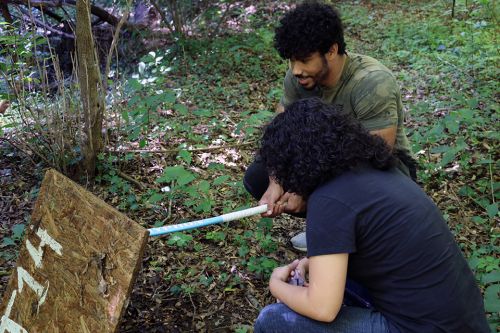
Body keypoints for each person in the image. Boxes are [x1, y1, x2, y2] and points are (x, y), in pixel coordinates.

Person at [253, 98, 489, 333]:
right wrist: (310, 262)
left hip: (416, 327)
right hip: (461, 321)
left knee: (272, 320)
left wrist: (276, 285)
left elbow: (322, 309)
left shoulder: (328, 201)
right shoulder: (376, 168)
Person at [243, 2, 416, 251]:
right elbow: (279, 134)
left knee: (341, 187)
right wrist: (275, 182)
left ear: (332, 50)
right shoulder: (298, 78)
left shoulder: (371, 82)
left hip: (384, 172)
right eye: (291, 60)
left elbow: (376, 157)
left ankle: (350, 236)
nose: (296, 70)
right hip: (329, 159)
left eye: (304, 60)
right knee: (259, 175)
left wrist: (307, 191)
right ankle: (328, 226)